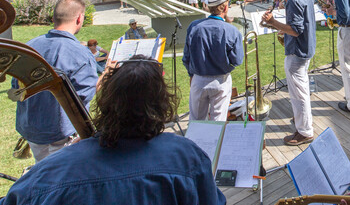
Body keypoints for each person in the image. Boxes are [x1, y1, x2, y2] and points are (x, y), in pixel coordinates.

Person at [2, 57, 226, 204]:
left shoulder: (50, 173)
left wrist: (70, 156)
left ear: (105, 103)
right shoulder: (187, 157)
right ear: (162, 104)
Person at [12, 0, 98, 162]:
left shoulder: (29, 47)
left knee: (43, 172)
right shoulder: (80, 54)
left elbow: (18, 86)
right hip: (62, 135)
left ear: (53, 18)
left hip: (32, 131)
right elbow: (81, 98)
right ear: (79, 19)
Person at [262, 0, 316, 146]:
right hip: (305, 48)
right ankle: (302, 121)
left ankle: (305, 131)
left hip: (297, 53)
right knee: (302, 90)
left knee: (298, 94)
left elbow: (295, 30)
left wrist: (273, 23)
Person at [183, 0, 244, 121]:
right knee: (218, 122)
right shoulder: (232, 31)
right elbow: (237, 60)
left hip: (198, 79)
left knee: (196, 123)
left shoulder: (194, 26)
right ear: (225, 7)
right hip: (220, 81)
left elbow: (186, 58)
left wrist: (191, 74)